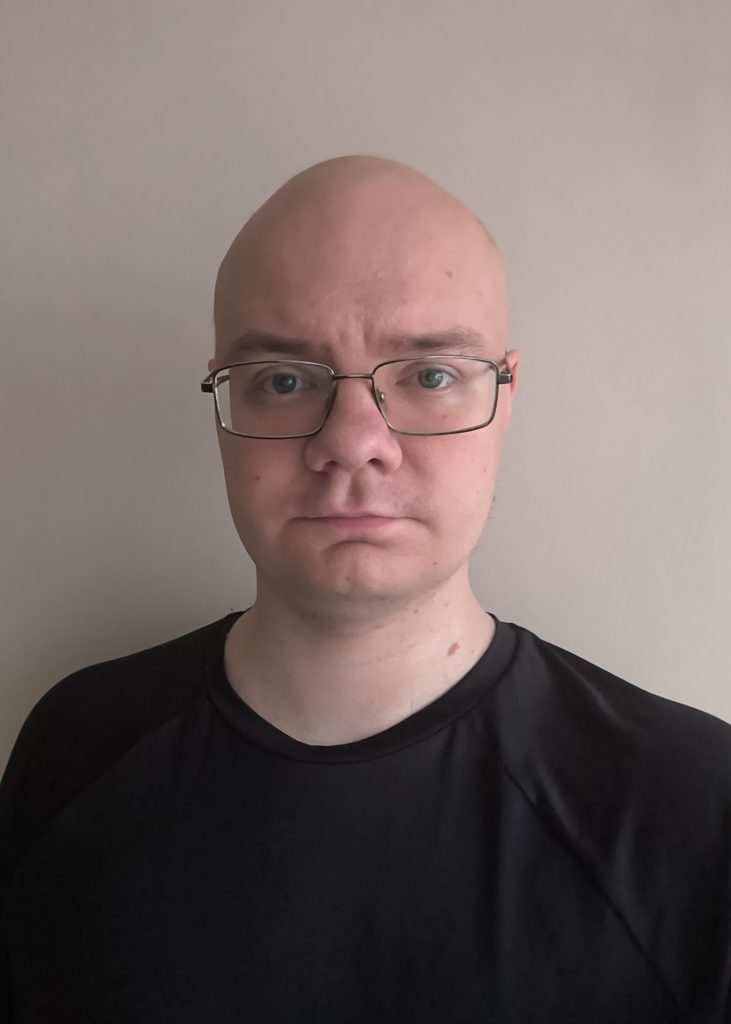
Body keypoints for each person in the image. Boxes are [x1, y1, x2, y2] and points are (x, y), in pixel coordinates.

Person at [1, 155, 729, 1023]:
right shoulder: (76, 746)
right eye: (283, 381)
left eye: (429, 375)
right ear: (223, 405)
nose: (353, 443)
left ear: (505, 399)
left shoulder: (692, 805)